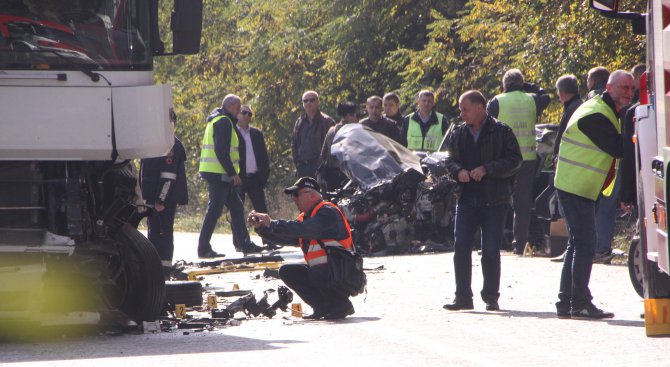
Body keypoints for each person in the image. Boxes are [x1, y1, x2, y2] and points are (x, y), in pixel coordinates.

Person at [553, 70, 635, 319]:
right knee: (586, 244)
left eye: (632, 88)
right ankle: (579, 303)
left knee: (577, 243)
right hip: (574, 186)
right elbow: (618, 148)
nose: (629, 93)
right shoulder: (597, 114)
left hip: (578, 185)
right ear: (609, 87)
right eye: (624, 88)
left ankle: (566, 302)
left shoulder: (605, 109)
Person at [443, 90, 522, 312]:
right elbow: (449, 159)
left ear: (480, 108)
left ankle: (490, 297)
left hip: (494, 199)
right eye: (460, 109)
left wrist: (487, 169)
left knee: (490, 249)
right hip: (466, 197)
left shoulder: (501, 131)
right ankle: (462, 297)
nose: (461, 113)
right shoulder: (458, 132)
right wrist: (458, 171)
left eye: (465, 109)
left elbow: (515, 160)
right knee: (461, 248)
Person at [248, 177, 356, 320]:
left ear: (311, 194)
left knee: (317, 270)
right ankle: (322, 308)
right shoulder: (306, 217)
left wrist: (272, 223)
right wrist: (262, 228)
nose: (294, 199)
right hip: (329, 272)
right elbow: (288, 237)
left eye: (297, 194)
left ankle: (341, 305)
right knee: (287, 271)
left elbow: (304, 229)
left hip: (345, 274)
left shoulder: (327, 212)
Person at [487, 69, 550, 255]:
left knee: (496, 200)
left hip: (503, 159)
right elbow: (546, 96)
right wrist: (530, 86)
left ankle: (493, 243)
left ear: (504, 84)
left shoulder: (496, 101)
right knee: (522, 203)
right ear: (521, 84)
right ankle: (519, 245)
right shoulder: (532, 99)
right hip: (527, 159)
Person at [198, 94, 263, 258]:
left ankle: (245, 245)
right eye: (238, 107)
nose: (240, 110)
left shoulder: (218, 119)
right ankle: (203, 248)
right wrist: (232, 173)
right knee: (214, 210)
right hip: (219, 174)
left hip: (219, 173)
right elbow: (221, 150)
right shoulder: (224, 122)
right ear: (231, 105)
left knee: (236, 207)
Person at [140, 109, 188, 275]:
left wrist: (160, 200)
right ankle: (155, 268)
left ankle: (163, 269)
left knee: (162, 234)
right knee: (153, 234)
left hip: (162, 201)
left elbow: (168, 176)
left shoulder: (169, 145)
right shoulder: (156, 143)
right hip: (153, 199)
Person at [549, 75, 584, 263]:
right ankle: (573, 247)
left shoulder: (572, 109)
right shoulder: (579, 105)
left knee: (567, 209)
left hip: (569, 167)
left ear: (561, 93)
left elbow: (564, 138)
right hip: (574, 165)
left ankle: (572, 247)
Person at [291, 91, 336, 178]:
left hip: (321, 169)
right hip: (303, 168)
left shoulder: (327, 121)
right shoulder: (299, 122)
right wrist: (297, 162)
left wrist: (324, 165)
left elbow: (332, 146)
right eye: (305, 101)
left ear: (318, 102)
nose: (308, 103)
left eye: (312, 100)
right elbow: (294, 143)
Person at [318, 101, 358, 192]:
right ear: (349, 115)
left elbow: (323, 154)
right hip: (347, 177)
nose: (358, 118)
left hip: (331, 176)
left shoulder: (331, 130)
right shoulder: (351, 131)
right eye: (357, 115)